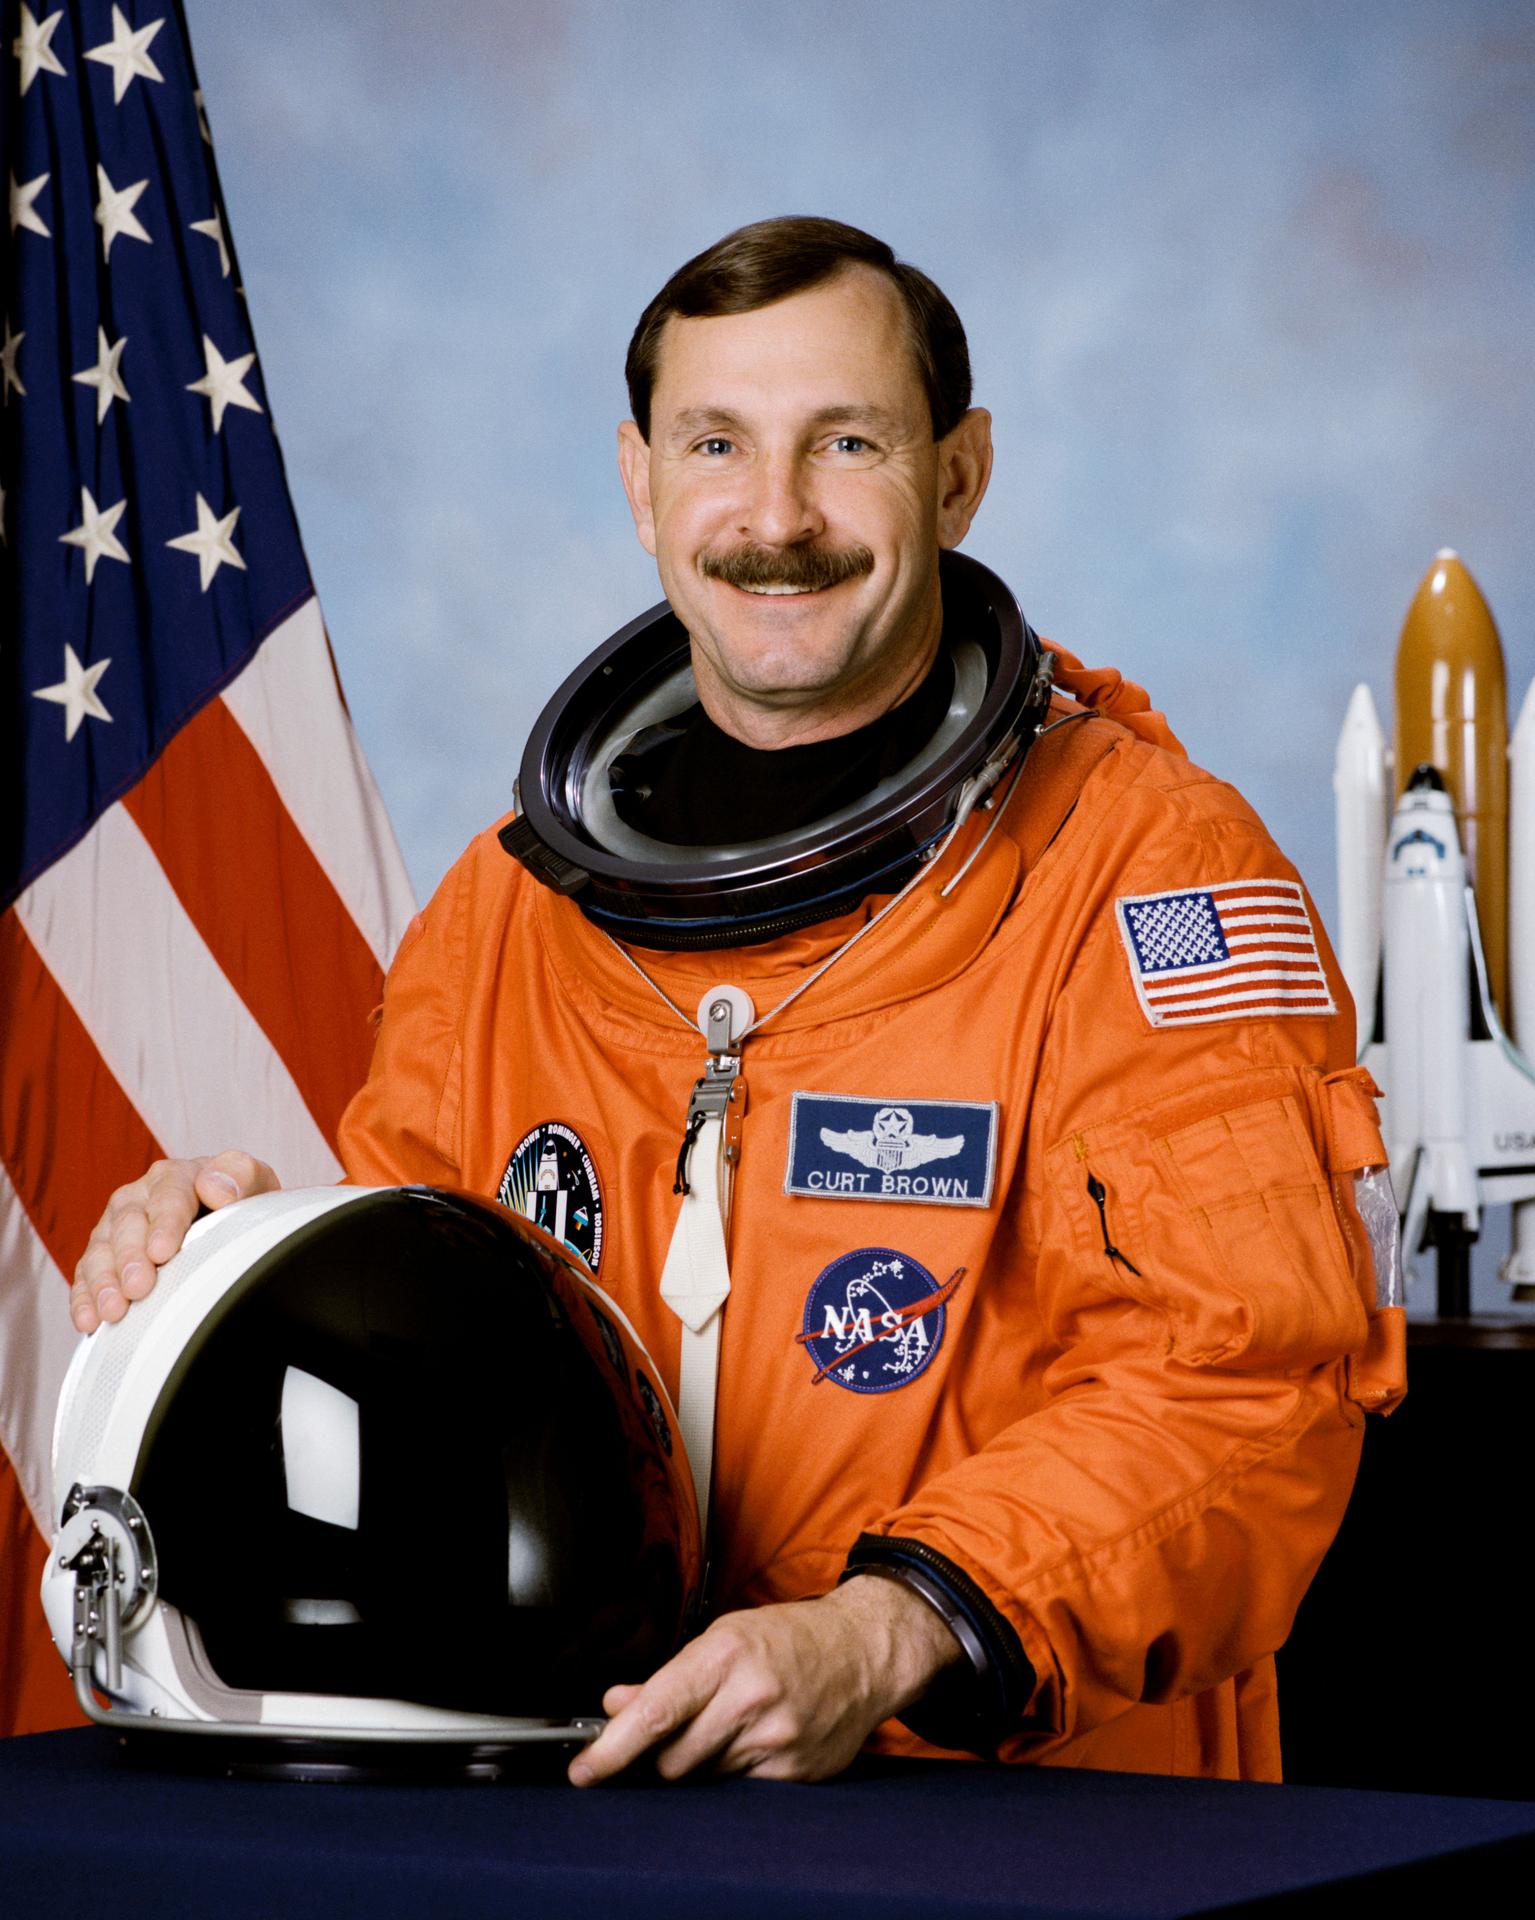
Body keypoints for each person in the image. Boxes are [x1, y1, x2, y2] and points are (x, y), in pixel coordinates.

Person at [69, 217, 1397, 1788]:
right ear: (642, 483)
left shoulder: (1150, 872)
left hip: (1027, 1827)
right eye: (717, 443)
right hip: (593, 1805)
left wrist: (893, 1626)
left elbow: (1245, 1391)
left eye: (847, 444)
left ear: (960, 472)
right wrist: (244, 1259)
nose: (776, 519)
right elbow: (449, 1348)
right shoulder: (509, 910)